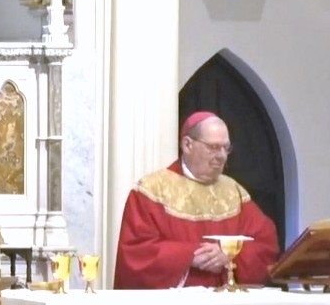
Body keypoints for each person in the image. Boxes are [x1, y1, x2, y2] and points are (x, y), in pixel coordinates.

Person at [114, 111, 279, 289]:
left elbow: (265, 245)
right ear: (187, 145)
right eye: (214, 147)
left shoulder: (235, 193)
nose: (222, 155)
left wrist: (230, 256)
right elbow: (136, 254)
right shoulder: (152, 191)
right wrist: (188, 256)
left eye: (226, 148)